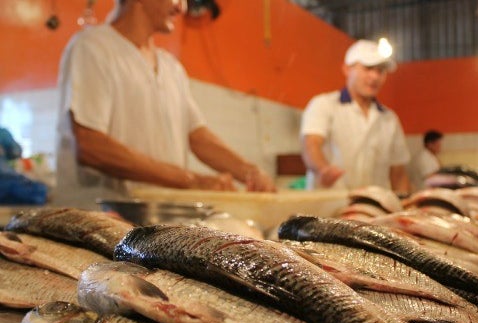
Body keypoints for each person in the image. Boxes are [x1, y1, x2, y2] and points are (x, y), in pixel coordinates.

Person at [56, 0, 275, 209]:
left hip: (157, 221)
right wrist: (190, 180)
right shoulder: (92, 48)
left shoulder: (171, 68)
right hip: (103, 222)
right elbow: (90, 146)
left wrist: (249, 172)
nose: (182, 6)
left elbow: (196, 135)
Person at [299, 39, 411, 195]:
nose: (375, 76)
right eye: (368, 68)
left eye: (381, 71)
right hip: (329, 208)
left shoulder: (389, 119)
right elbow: (311, 144)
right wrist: (322, 169)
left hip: (372, 209)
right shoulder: (324, 105)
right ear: (346, 69)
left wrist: (405, 205)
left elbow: (398, 173)